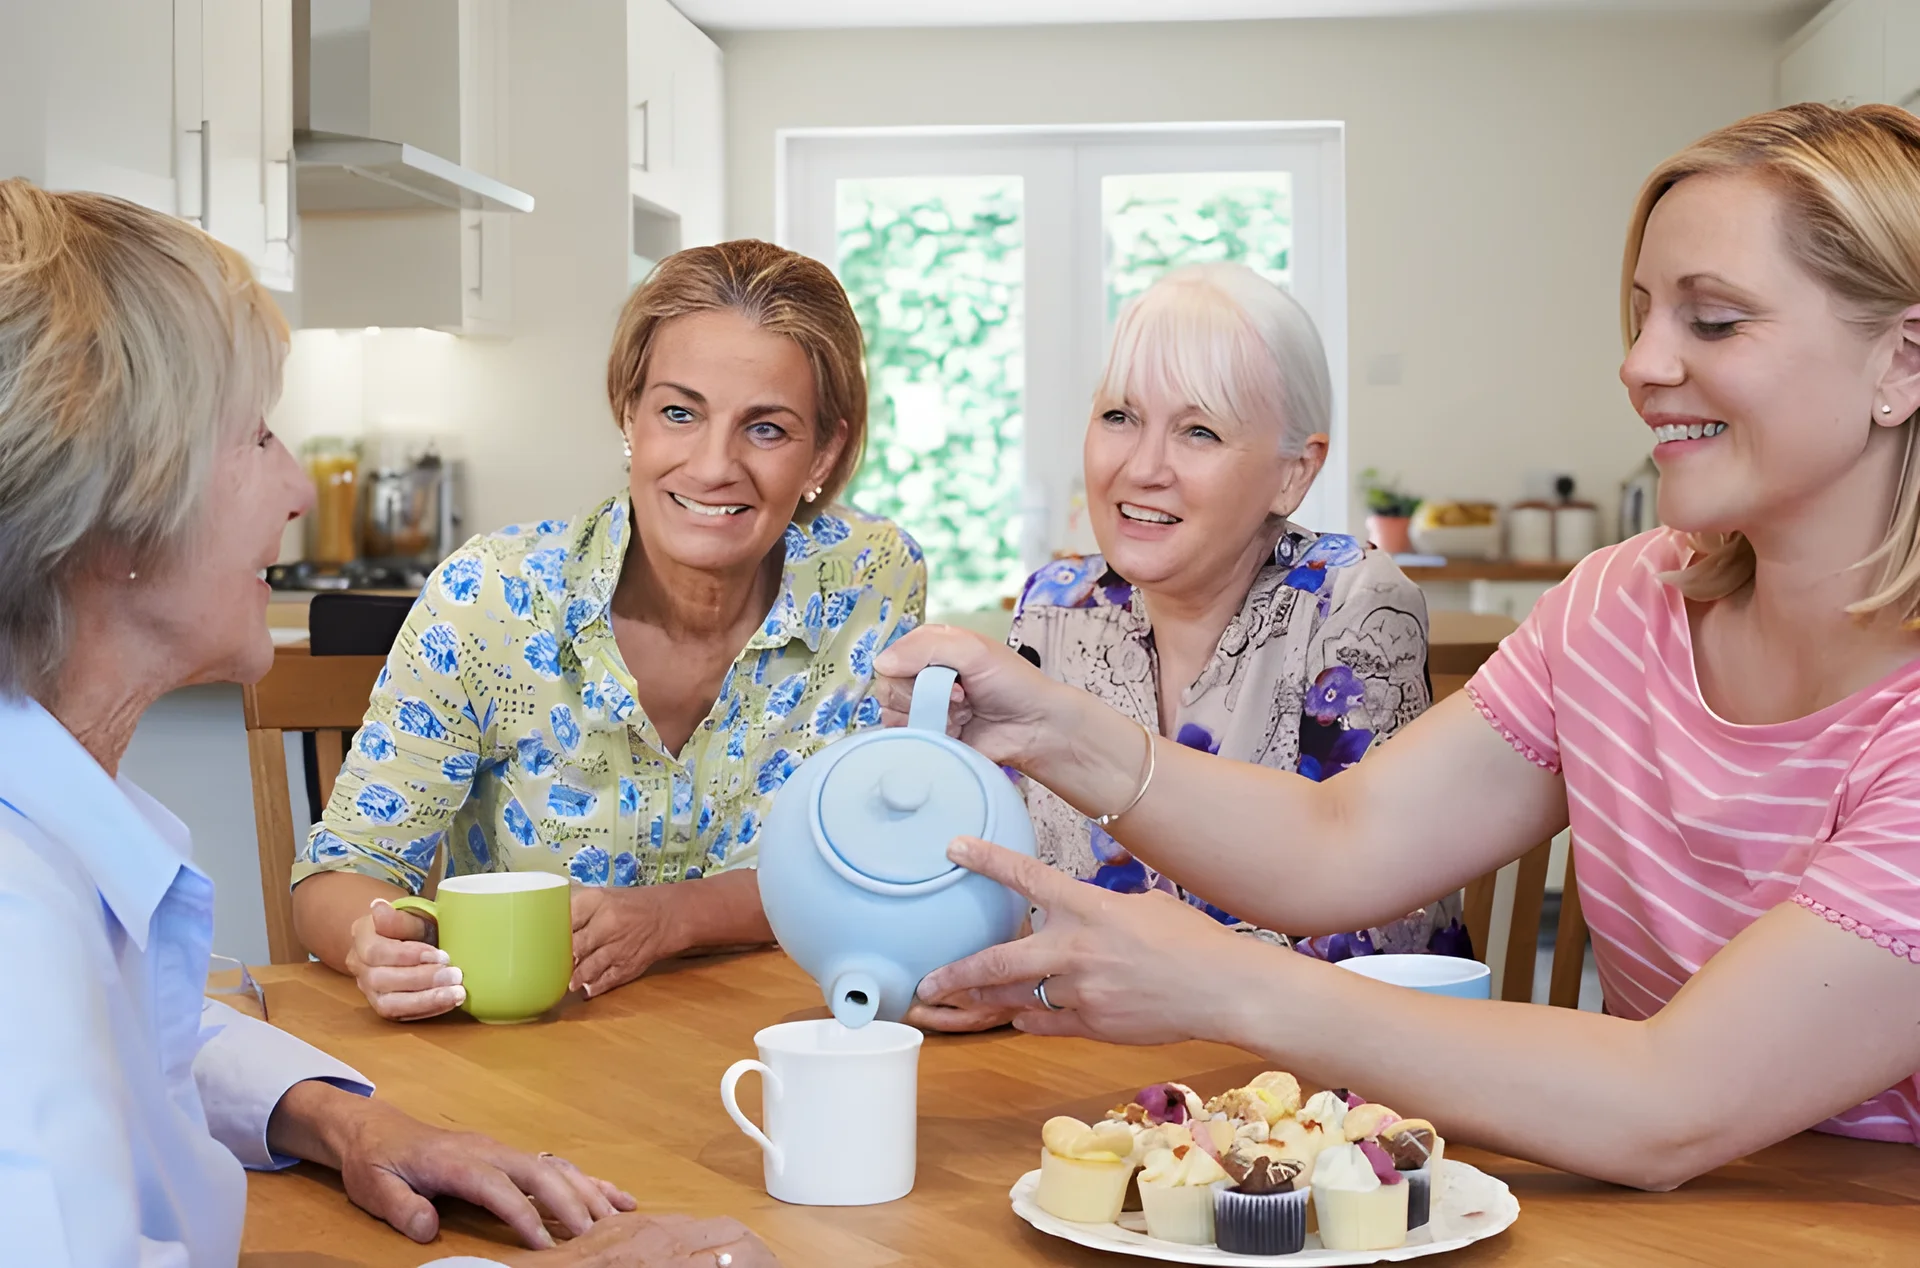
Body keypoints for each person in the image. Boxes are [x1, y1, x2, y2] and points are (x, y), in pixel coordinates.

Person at [877, 102, 1920, 1189]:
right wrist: (1051, 724)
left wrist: (1226, 984)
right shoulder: (1623, 606)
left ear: (1902, 360)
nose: (1642, 364)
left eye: (1714, 322)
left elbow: (1673, 1100)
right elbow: (1344, 835)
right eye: (1643, 314)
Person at [0, 180, 773, 1266]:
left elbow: (133, 1041)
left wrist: (350, 1118)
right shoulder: (14, 926)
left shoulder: (59, 846)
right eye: (256, 434)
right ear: (118, 499)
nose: (298, 490)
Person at [290, 240, 926, 1021]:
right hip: (538, 1063)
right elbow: (340, 872)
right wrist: (371, 941)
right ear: (630, 412)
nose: (713, 465)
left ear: (824, 451)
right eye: (679, 413)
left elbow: (875, 867)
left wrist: (675, 918)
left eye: (766, 429)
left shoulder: (873, 581)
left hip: (786, 1044)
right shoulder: (491, 597)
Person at [1008, 263, 1454, 958]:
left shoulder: (1353, 605)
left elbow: (1380, 934)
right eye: (1119, 417)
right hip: (1072, 1052)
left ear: (1293, 473)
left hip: (1287, 1064)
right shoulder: (1054, 607)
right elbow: (997, 888)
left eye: (1199, 433)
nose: (1144, 467)